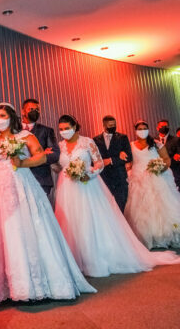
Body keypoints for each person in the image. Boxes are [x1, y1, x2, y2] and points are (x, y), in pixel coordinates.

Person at [0, 103, 95, 303]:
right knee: (0, 231)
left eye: (2, 115)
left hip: (22, 182)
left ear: (12, 117)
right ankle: (2, 287)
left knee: (26, 227)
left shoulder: (25, 136)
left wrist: (24, 163)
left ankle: (32, 284)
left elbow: (41, 156)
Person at [54, 114, 180, 277]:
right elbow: (58, 166)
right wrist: (55, 165)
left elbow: (98, 163)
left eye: (67, 128)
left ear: (75, 126)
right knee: (71, 222)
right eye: (61, 129)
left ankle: (95, 259)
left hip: (87, 185)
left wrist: (89, 173)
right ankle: (76, 260)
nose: (64, 132)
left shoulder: (87, 142)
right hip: (67, 189)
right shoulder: (60, 145)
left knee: (89, 220)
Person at [125, 120, 180, 249]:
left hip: (157, 177)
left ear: (149, 130)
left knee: (161, 207)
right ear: (135, 131)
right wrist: (127, 168)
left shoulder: (156, 144)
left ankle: (165, 235)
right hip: (138, 178)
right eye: (140, 128)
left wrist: (161, 168)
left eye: (145, 128)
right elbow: (130, 162)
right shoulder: (131, 145)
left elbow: (167, 160)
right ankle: (148, 236)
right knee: (142, 209)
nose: (142, 130)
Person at [20, 99, 59, 204]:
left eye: (37, 109)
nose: (35, 111)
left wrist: (39, 158)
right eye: (31, 109)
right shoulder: (14, 130)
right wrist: (42, 153)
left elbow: (55, 154)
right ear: (23, 111)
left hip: (41, 179)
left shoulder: (47, 131)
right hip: (19, 180)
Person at [93, 115, 132, 213]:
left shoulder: (123, 137)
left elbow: (129, 157)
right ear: (104, 125)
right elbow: (95, 158)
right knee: (106, 208)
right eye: (110, 125)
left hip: (120, 178)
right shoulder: (95, 140)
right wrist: (117, 157)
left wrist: (111, 160)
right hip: (104, 177)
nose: (113, 127)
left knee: (121, 207)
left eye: (114, 125)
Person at [156, 119, 180, 190]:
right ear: (157, 128)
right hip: (159, 175)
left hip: (174, 174)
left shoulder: (176, 140)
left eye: (166, 126)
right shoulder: (153, 141)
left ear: (169, 127)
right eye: (162, 126)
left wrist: (177, 156)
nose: (164, 128)